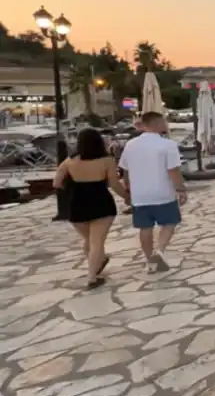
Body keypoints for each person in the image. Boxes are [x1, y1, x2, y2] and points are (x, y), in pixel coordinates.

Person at [53, 128, 130, 289]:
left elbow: (56, 183)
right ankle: (92, 276)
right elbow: (114, 184)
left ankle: (97, 264)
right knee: (97, 241)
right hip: (100, 201)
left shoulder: (70, 161)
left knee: (88, 240)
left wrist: (71, 187)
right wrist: (127, 197)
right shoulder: (107, 160)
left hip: (77, 203)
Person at [119, 112, 185, 274]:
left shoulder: (131, 145)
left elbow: (125, 170)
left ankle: (150, 261)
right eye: (164, 121)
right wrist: (181, 189)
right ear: (157, 123)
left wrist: (128, 188)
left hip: (140, 194)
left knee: (145, 228)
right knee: (170, 223)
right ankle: (160, 250)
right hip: (163, 192)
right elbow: (173, 170)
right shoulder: (167, 145)